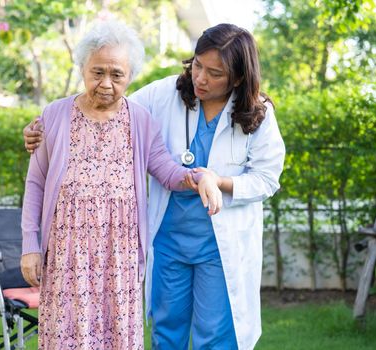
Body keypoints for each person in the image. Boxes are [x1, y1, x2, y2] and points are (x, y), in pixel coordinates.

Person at [24, 23, 285, 350]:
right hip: (169, 241)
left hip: (221, 245)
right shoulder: (164, 93)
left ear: (237, 77)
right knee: (167, 332)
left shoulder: (256, 113)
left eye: (215, 73)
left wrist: (217, 180)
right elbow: (109, 104)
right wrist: (41, 129)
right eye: (198, 66)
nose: (201, 79)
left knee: (216, 336)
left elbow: (267, 177)